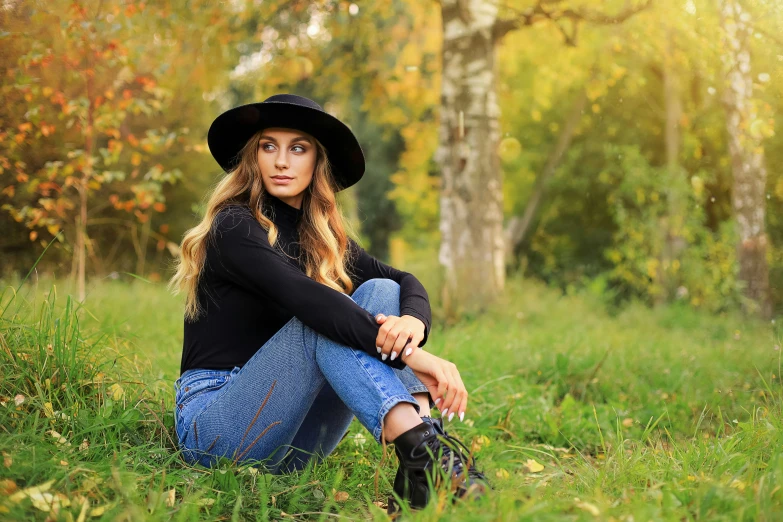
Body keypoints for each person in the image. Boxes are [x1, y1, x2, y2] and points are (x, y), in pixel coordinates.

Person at [167, 93, 489, 512]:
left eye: (297, 148)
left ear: (317, 162)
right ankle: (424, 450)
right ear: (254, 156)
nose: (282, 161)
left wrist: (413, 323)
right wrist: (414, 359)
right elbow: (306, 299)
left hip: (293, 446)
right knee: (321, 318)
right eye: (269, 146)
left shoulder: (322, 239)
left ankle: (420, 458)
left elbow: (404, 280)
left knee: (382, 292)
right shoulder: (233, 224)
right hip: (216, 430)